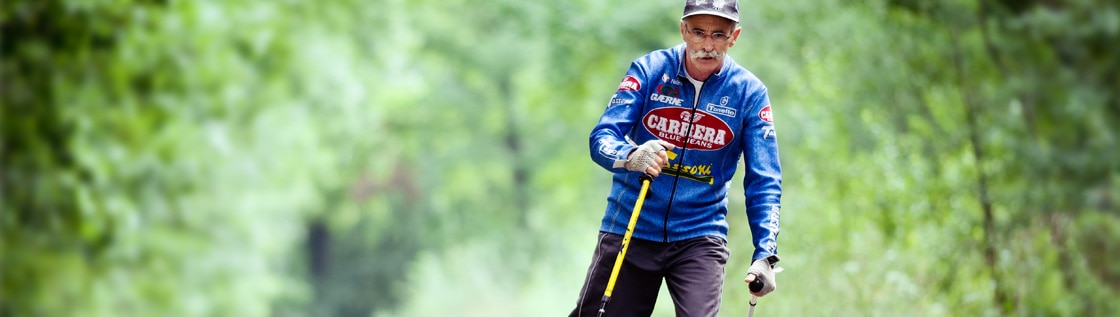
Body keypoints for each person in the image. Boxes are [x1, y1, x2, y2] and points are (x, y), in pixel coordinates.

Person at [570, 0, 782, 316]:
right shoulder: (649, 70)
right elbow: (601, 138)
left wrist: (766, 254)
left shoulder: (749, 93)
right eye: (698, 32)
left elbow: (764, 180)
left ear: (733, 37)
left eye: (718, 35)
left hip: (700, 235)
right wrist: (632, 156)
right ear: (683, 30)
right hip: (632, 223)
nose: (707, 45)